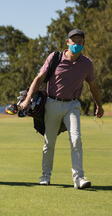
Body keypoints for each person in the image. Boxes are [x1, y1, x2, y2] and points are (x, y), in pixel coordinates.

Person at [19, 29, 104, 189]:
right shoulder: (54, 57)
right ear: (67, 42)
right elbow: (39, 78)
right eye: (73, 41)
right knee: (49, 142)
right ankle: (45, 176)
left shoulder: (87, 64)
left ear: (84, 43)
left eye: (80, 41)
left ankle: (78, 178)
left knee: (76, 139)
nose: (76, 44)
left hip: (73, 105)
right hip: (52, 103)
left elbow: (93, 86)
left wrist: (99, 105)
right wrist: (28, 99)